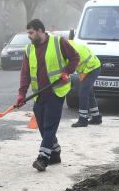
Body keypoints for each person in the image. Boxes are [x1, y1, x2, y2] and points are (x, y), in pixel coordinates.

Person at [16, 19, 79, 172]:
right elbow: (25, 73)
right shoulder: (29, 49)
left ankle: (43, 158)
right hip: (39, 94)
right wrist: (21, 93)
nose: (29, 36)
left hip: (56, 91)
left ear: (39, 31)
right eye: (28, 33)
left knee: (50, 124)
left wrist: (67, 71)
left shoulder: (58, 42)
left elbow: (75, 57)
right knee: (43, 126)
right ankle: (55, 153)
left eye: (31, 33)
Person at [68, 38, 102, 127]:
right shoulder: (67, 48)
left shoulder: (76, 50)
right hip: (88, 69)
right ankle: (96, 117)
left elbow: (90, 61)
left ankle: (83, 120)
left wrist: (85, 73)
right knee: (89, 93)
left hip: (93, 68)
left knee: (83, 93)